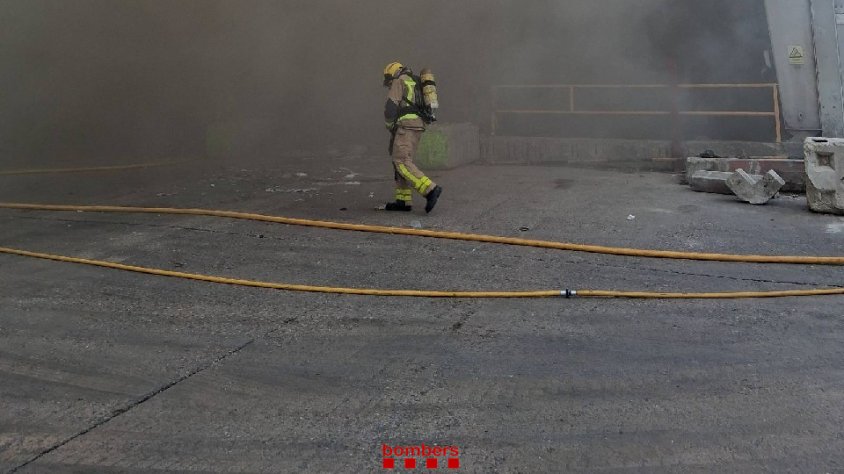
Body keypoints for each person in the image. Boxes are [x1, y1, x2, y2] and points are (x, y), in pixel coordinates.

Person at [382, 61, 443, 213]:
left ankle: (430, 189)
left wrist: (390, 126)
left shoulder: (399, 81)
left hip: (406, 126)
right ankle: (403, 201)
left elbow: (390, 107)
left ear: (394, 73)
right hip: (418, 126)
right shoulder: (416, 81)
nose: (389, 84)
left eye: (389, 80)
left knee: (401, 162)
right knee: (403, 161)